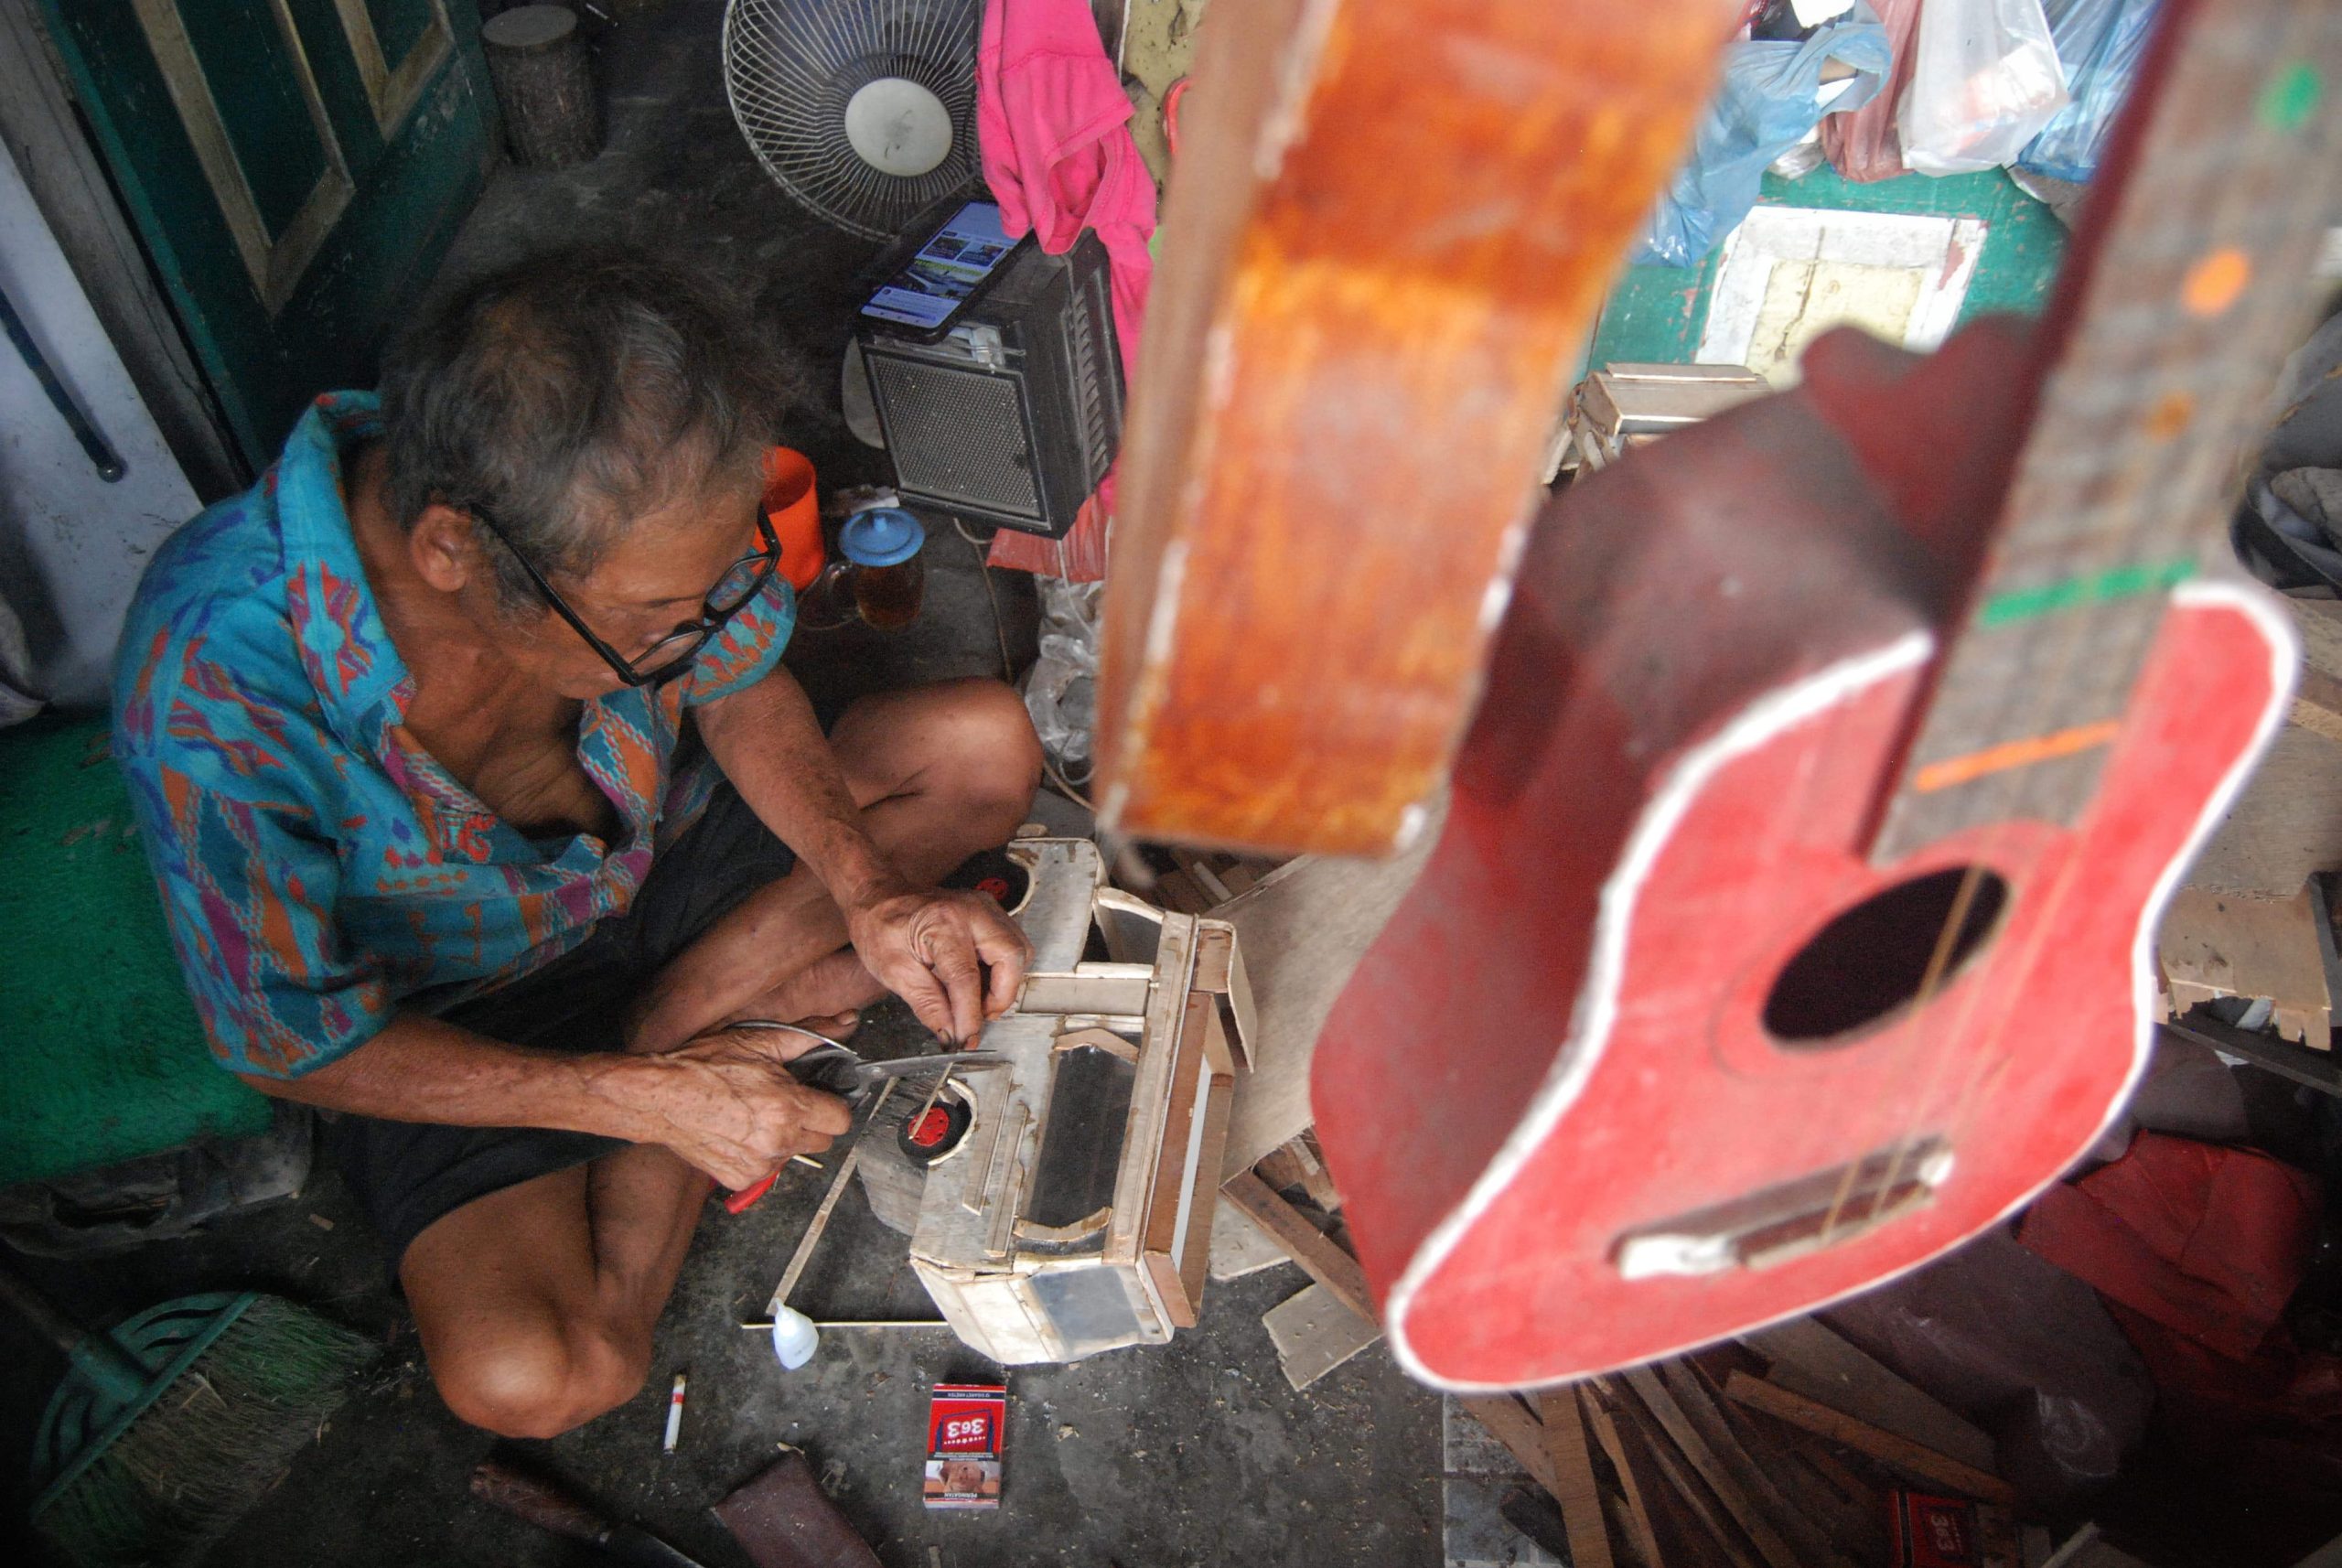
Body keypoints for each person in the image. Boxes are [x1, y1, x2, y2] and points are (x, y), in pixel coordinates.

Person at [113, 250, 1044, 1439]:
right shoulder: (215, 679)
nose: (694, 627)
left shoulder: (648, 515)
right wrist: (644, 1103)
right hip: (472, 1008)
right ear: (454, 550)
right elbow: (292, 1041)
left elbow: (739, 676)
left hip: (670, 851)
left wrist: (866, 893)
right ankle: (712, 1054)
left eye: (706, 589)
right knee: (541, 1371)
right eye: (654, 617)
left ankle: (687, 1020)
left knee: (978, 746)